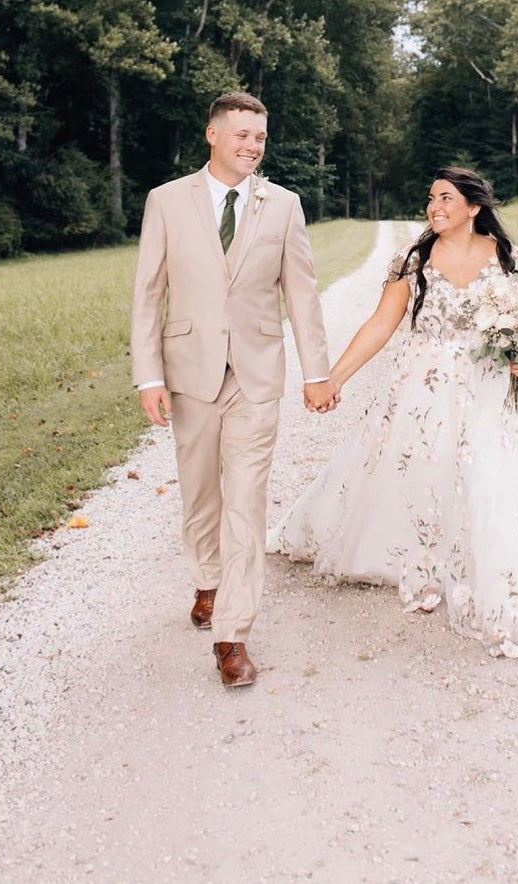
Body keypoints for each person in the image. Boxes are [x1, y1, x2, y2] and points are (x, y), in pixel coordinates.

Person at [269, 166, 518, 657]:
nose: (434, 206)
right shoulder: (413, 259)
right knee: (423, 463)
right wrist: (334, 378)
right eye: (431, 198)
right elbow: (381, 324)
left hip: (487, 385)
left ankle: (485, 556)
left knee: (489, 469)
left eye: (446, 198)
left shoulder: (506, 256)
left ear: (473, 207)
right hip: (423, 384)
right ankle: (419, 553)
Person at [131, 91, 338, 688]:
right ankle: (207, 580)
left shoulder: (284, 206)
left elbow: (301, 293)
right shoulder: (167, 201)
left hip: (256, 375)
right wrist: (149, 375)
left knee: (246, 500)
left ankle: (233, 634)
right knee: (200, 494)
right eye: (243, 135)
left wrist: (317, 371)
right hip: (189, 372)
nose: (253, 146)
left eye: (261, 137)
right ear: (213, 135)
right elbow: (148, 292)